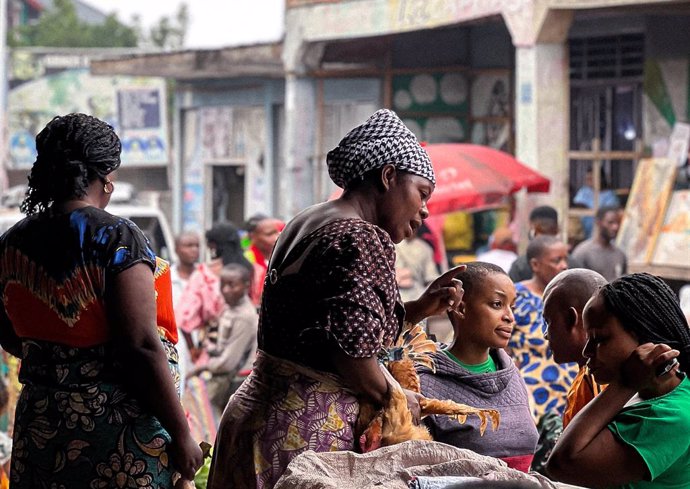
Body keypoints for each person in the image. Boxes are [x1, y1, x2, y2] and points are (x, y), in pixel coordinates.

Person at [206, 109, 464, 489]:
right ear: (388, 176)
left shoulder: (308, 220)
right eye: (422, 193)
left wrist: (419, 308)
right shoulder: (361, 236)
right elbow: (351, 354)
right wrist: (395, 395)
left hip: (256, 415)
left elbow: (325, 327)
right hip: (305, 431)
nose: (425, 211)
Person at [0, 113, 202, 487]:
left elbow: (8, 335)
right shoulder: (116, 237)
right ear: (106, 175)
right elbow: (140, 345)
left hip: (42, 425)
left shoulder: (13, 241)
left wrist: (57, 364)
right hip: (115, 431)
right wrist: (182, 434)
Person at [546, 273, 690, 488]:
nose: (586, 352)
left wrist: (625, 383)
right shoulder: (649, 394)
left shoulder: (670, 416)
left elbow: (562, 465)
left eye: (599, 339)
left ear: (646, 341)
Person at [418, 262, 539, 473]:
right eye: (496, 304)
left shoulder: (510, 374)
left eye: (513, 306)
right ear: (462, 308)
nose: (510, 316)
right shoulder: (425, 381)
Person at [508, 236, 579, 420]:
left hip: (571, 390)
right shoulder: (516, 297)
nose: (564, 266)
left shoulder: (571, 295)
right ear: (535, 265)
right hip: (533, 396)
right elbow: (500, 343)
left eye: (565, 259)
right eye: (556, 260)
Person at [190, 263, 258, 418]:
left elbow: (228, 362)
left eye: (232, 285)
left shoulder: (244, 317)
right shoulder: (229, 308)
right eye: (223, 285)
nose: (226, 290)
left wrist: (203, 367)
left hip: (233, 382)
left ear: (246, 286)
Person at [177, 222, 253, 362]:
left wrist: (192, 348)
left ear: (213, 245)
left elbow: (184, 318)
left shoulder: (204, 274)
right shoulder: (250, 270)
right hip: (249, 348)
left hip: (214, 350)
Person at [542, 269, 607, 428]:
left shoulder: (597, 379)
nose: (545, 335)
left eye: (549, 322)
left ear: (571, 319)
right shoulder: (589, 373)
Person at [571, 206, 627, 282]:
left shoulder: (620, 254)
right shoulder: (583, 252)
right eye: (610, 222)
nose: (615, 227)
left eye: (618, 223)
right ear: (598, 222)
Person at [509, 206, 562, 282]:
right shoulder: (572, 264)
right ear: (557, 230)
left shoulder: (520, 265)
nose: (563, 265)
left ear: (533, 232)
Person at [244, 214, 284, 306]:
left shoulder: (283, 256)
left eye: (277, 232)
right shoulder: (247, 259)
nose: (276, 237)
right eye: (269, 234)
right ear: (253, 236)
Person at [572, 169, 621, 239]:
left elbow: (609, 213)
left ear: (600, 179)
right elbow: (576, 205)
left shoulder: (609, 195)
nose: (588, 181)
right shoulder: (584, 191)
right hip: (582, 232)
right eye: (587, 179)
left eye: (591, 179)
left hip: (601, 232)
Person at [395, 227, 439, 302]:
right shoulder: (391, 245)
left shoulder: (425, 248)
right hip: (396, 294)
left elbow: (431, 277)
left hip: (417, 294)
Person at [171, 231, 201, 305]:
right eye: (189, 246)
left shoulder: (205, 277)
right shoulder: (167, 278)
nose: (194, 250)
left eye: (197, 246)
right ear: (176, 250)